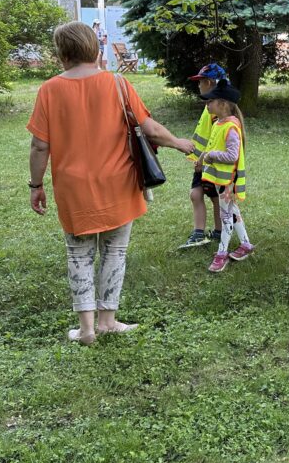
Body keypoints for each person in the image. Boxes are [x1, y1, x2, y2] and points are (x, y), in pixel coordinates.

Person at [27, 21, 195, 345]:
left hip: (74, 189)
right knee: (115, 251)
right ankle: (108, 321)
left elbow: (39, 146)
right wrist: (178, 142)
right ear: (96, 48)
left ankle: (87, 329)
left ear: (62, 53)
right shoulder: (118, 83)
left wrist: (36, 185)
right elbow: (149, 128)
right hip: (119, 186)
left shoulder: (49, 90)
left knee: (78, 255)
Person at [178, 64, 233, 249]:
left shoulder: (218, 109)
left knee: (211, 196)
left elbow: (218, 140)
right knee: (198, 195)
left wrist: (202, 160)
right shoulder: (212, 106)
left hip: (211, 163)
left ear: (209, 82)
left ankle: (211, 232)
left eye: (200, 82)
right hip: (203, 161)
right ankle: (203, 232)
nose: (198, 85)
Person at [202, 83, 253, 273]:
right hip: (220, 182)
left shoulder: (231, 127)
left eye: (210, 101)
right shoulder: (218, 123)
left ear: (223, 104)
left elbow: (232, 155)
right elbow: (211, 145)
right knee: (233, 212)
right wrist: (202, 158)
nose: (207, 105)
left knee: (226, 218)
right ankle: (246, 244)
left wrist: (212, 155)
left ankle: (221, 253)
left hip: (227, 183)